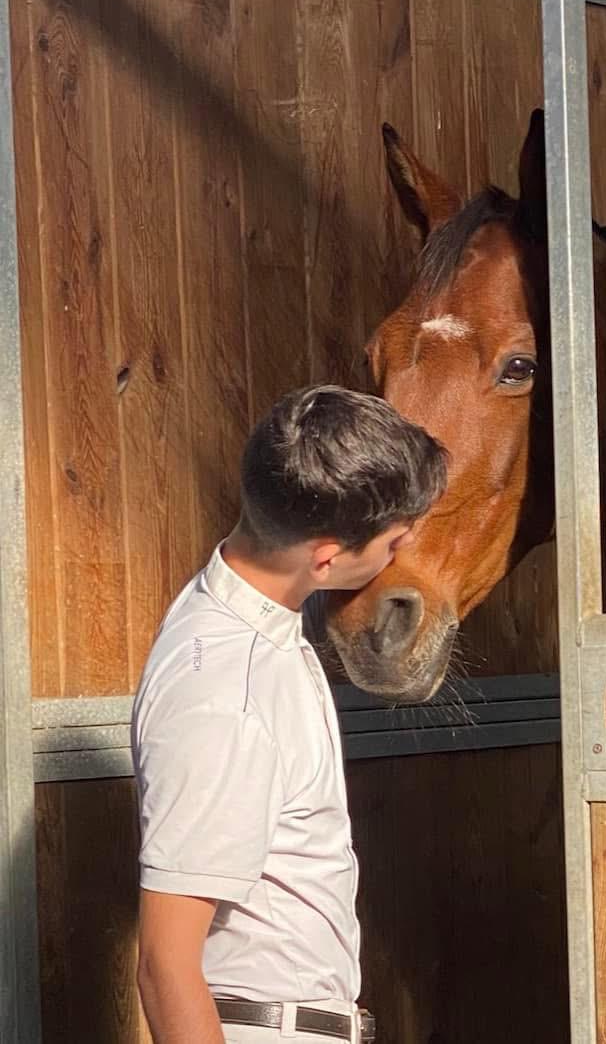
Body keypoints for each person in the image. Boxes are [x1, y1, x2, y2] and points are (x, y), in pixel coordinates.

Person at [130, 384, 447, 1044]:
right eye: (394, 541)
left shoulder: (253, 615)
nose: (401, 552)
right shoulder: (228, 695)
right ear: (327, 555)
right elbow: (164, 966)